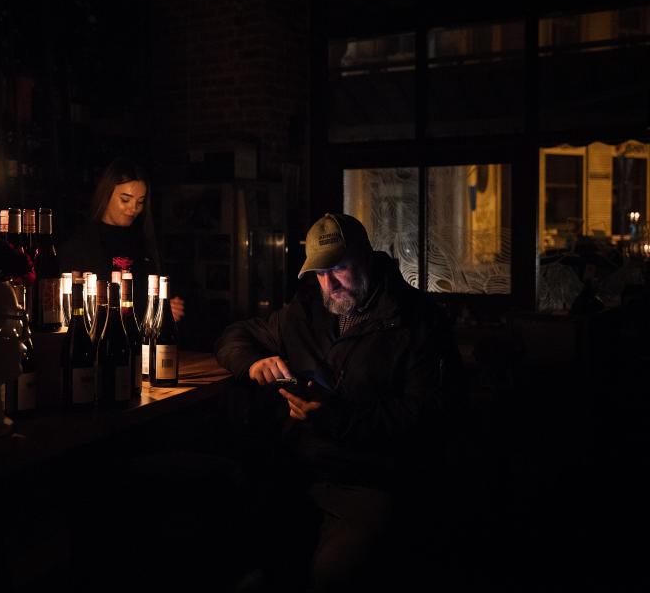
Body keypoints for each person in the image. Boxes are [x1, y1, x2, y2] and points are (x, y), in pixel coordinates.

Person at [215, 213, 466, 591]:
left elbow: (429, 413)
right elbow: (234, 336)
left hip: (372, 482)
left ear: (366, 256)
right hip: (300, 473)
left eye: (340, 269)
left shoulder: (418, 321)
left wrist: (334, 417)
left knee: (333, 575)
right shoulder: (304, 313)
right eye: (319, 274)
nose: (329, 284)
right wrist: (252, 364)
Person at [58, 158, 184, 320]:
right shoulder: (80, 245)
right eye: (125, 199)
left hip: (138, 341)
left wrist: (165, 310)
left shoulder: (144, 242)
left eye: (140, 202)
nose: (133, 209)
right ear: (107, 194)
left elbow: (153, 297)